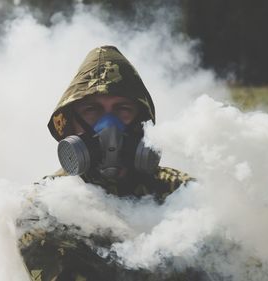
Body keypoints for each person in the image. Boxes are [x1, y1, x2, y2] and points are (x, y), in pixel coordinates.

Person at [17, 46, 194, 281]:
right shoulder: (45, 207)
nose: (109, 125)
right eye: (92, 110)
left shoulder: (182, 192)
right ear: (71, 124)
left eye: (123, 110)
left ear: (141, 122)